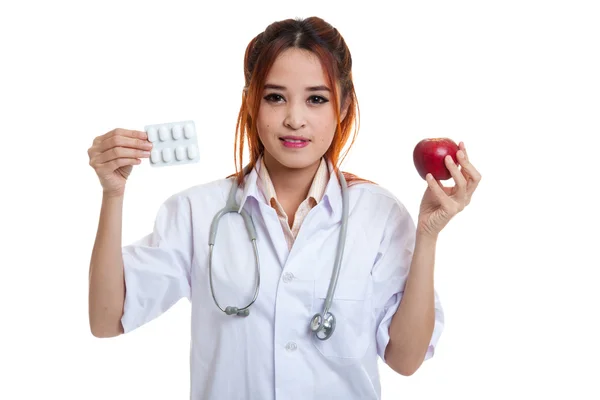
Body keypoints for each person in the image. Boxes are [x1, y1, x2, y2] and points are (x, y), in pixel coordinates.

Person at [87, 16, 481, 400]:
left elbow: (406, 359)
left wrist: (427, 236)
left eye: (316, 99)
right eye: (275, 97)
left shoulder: (378, 215)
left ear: (343, 107)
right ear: (251, 104)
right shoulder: (198, 211)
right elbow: (107, 319)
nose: (295, 119)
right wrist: (113, 194)